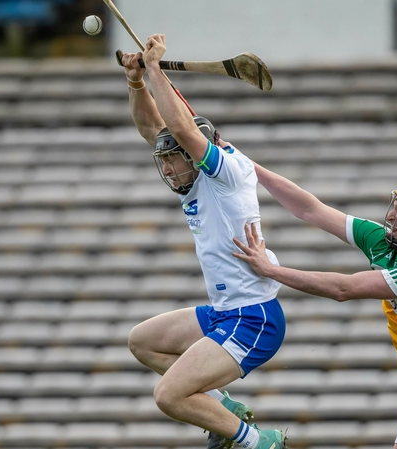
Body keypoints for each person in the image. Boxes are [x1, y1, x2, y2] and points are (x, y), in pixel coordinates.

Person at [232, 172, 397, 449]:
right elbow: (310, 209)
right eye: (395, 205)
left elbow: (343, 289)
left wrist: (271, 270)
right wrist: (249, 167)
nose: (390, 216)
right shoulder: (385, 242)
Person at [120, 34, 287, 449]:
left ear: (197, 153)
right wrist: (137, 82)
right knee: (143, 342)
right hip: (223, 312)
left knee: (169, 396)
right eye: (165, 162)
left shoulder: (226, 173)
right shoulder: (195, 181)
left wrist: (155, 66)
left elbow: (178, 126)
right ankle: (223, 409)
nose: (170, 169)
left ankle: (259, 443)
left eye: (175, 159)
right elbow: (154, 128)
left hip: (253, 318)